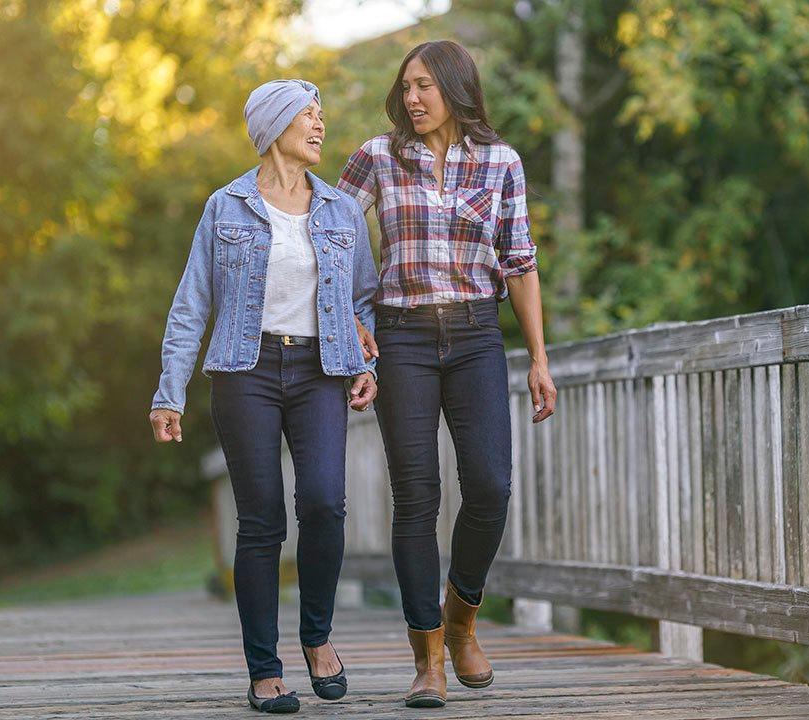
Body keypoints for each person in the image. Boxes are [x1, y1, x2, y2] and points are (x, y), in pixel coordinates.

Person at [338, 40, 558, 709]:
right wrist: (349, 318)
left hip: (473, 336)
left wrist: (540, 358)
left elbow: (519, 263)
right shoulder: (379, 154)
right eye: (405, 86)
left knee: (490, 484)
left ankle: (462, 620)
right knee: (417, 497)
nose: (412, 98)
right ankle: (427, 655)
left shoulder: (501, 162)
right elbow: (331, 235)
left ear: (457, 88)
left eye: (425, 86)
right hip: (401, 337)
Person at [149, 79, 378, 714]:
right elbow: (192, 304)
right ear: (274, 126)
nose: (320, 125)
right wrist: (170, 391)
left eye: (320, 115)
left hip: (319, 371)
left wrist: (367, 359)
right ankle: (263, 669)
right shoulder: (224, 208)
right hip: (244, 371)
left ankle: (317, 638)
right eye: (308, 114)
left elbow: (362, 301)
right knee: (261, 523)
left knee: (326, 505)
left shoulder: (340, 211)